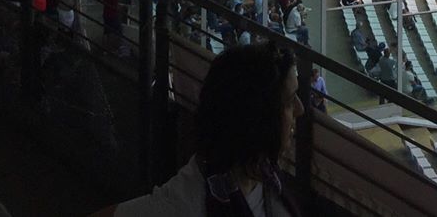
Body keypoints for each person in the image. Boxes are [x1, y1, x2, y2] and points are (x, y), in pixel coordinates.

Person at [91, 42, 303, 217]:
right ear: (257, 117)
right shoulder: (185, 203)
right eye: (289, 100)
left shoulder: (262, 176)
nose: (300, 110)